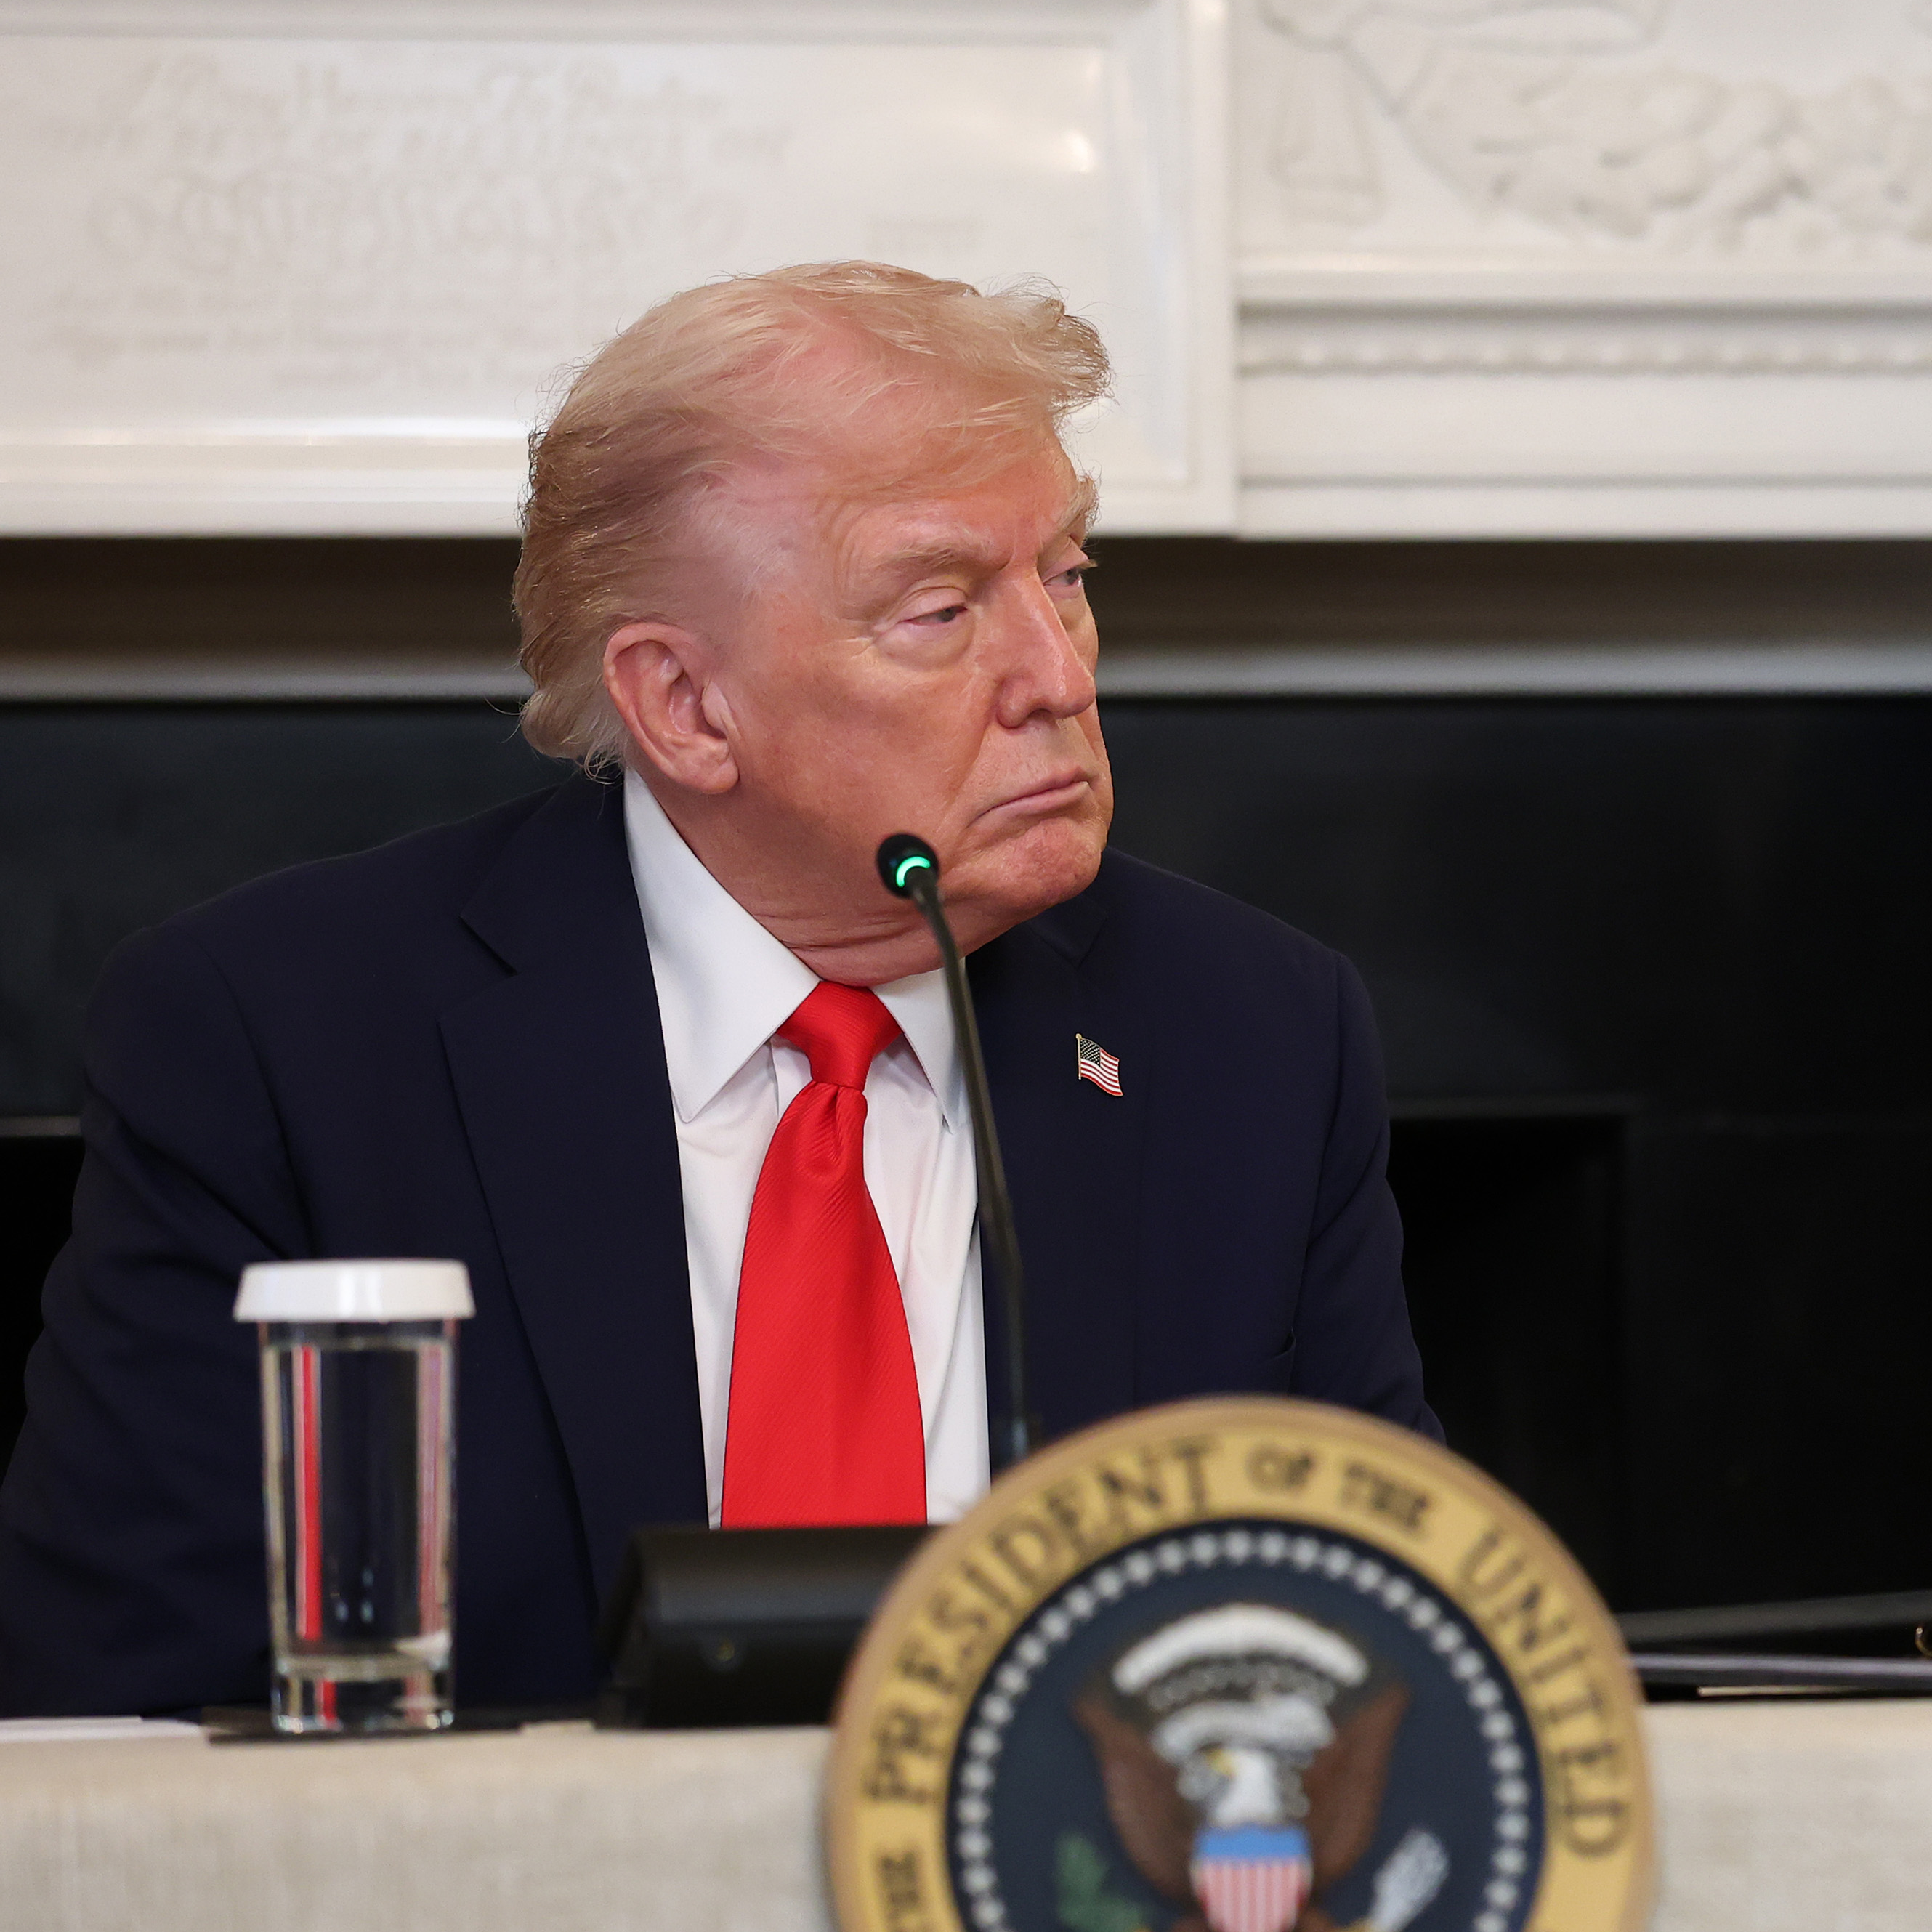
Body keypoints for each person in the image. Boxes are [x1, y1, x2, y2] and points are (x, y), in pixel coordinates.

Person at [0, 264, 1434, 1716]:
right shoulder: (280, 1041)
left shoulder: (1252, 1032)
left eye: (1066, 577)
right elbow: (115, 1724)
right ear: (685, 706)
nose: (1058, 677)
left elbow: (1391, 1647)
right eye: (942, 609)